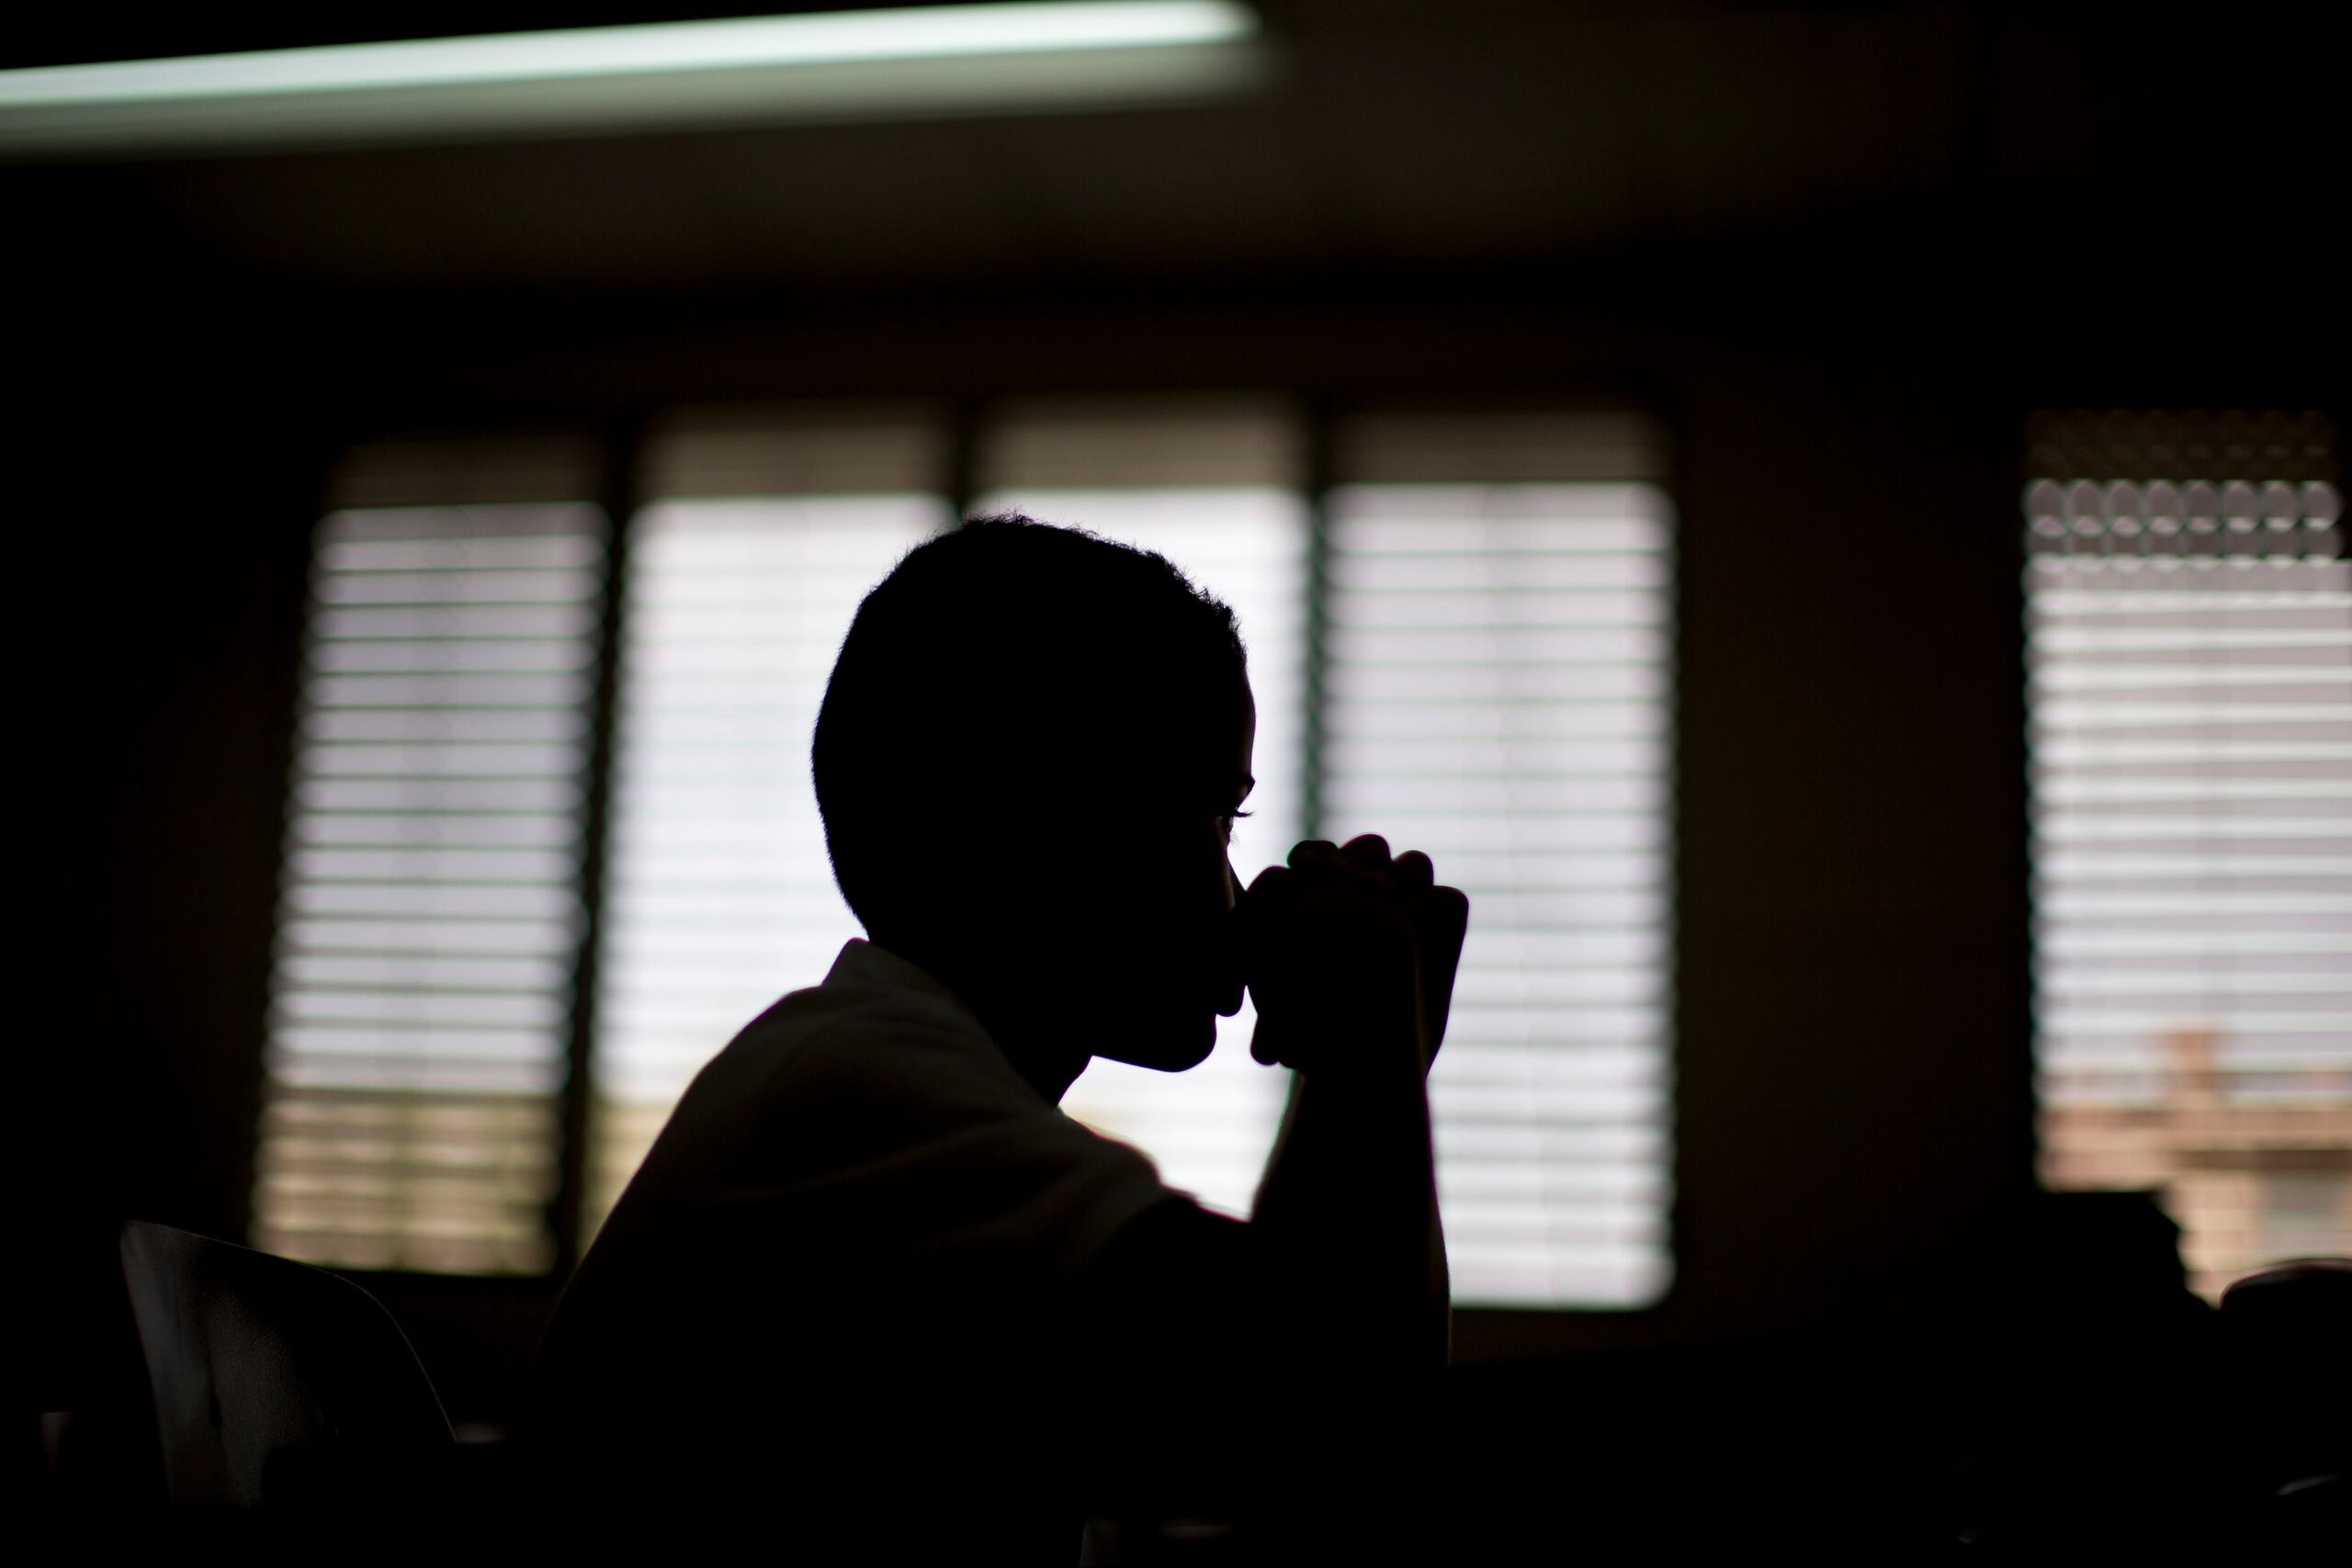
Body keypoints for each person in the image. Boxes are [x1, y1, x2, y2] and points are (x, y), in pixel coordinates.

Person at [521, 515, 1467, 1559]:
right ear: (1035, 813)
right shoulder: (857, 1090)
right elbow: (1318, 1419)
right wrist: (1368, 1033)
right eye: (1211, 815)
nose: (1240, 888)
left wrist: (1375, 1056)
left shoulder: (886, 1076)